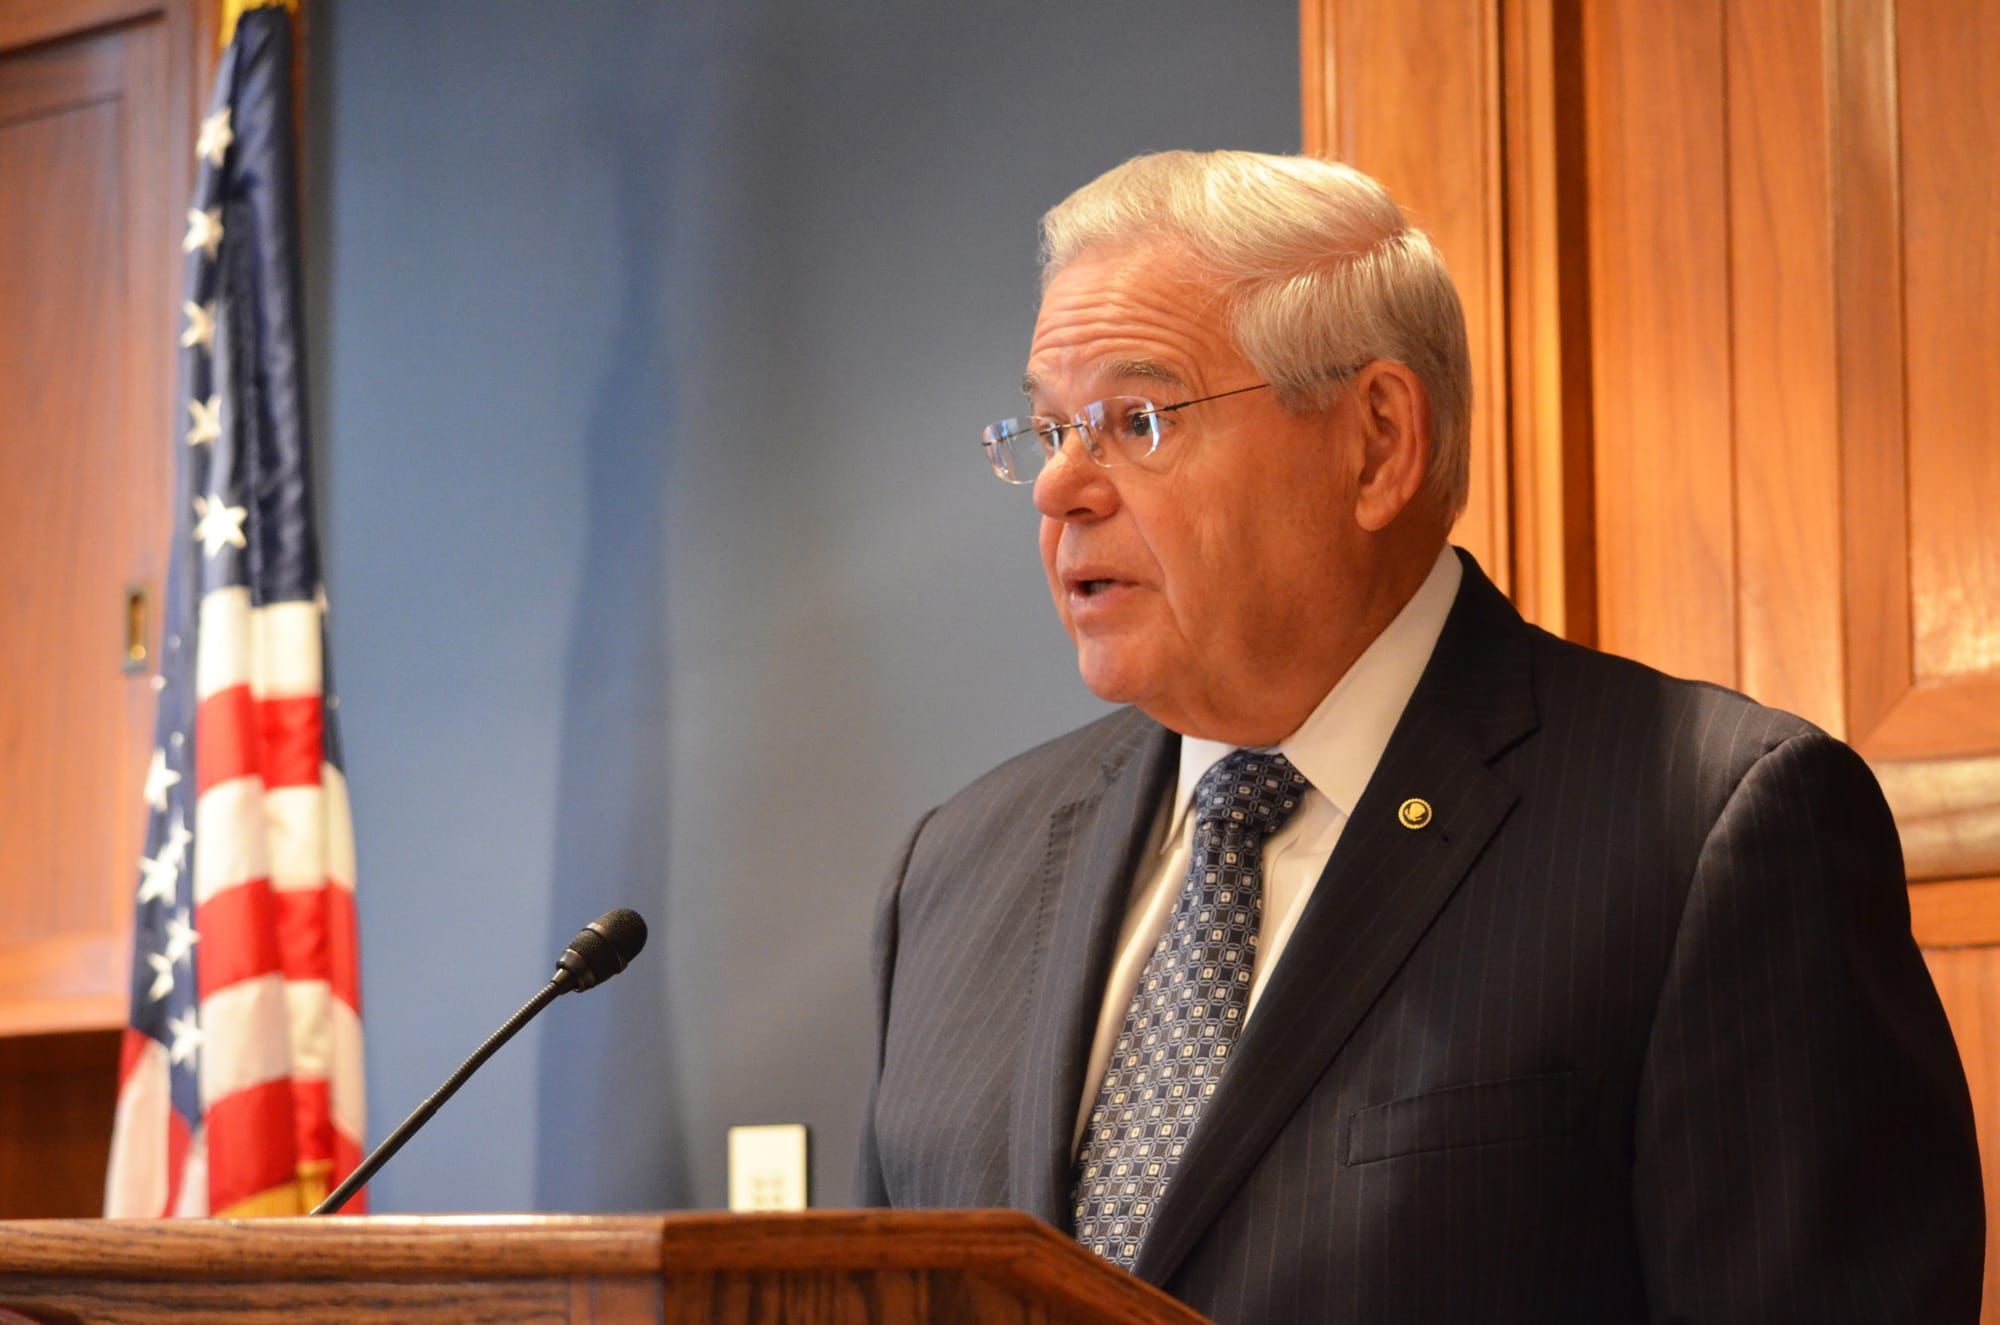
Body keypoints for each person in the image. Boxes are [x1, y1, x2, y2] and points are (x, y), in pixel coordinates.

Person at [854, 150, 1983, 1322]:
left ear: (1377, 439)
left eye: (1134, 421)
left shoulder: (1711, 831)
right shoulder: (950, 873)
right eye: (1047, 432)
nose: (1060, 491)